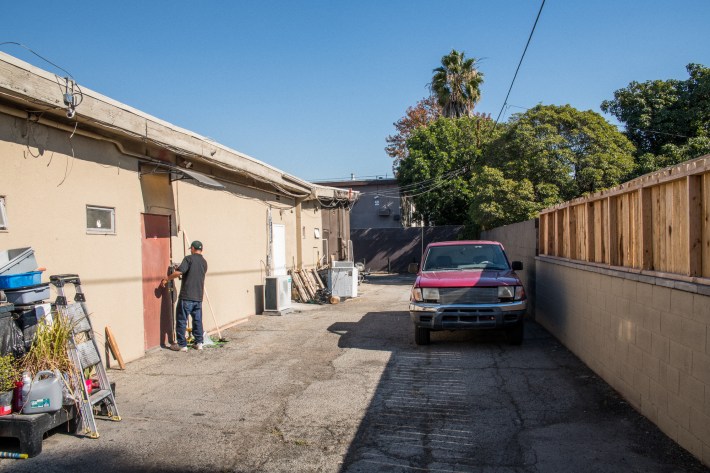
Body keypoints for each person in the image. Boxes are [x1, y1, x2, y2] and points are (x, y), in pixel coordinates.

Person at [161, 240, 208, 352]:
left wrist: (167, 278)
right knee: (197, 320)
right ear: (201, 249)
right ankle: (199, 342)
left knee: (181, 320)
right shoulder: (204, 262)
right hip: (198, 297)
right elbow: (194, 274)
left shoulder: (189, 258)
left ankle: (182, 345)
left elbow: (179, 272)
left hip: (187, 296)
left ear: (192, 248)